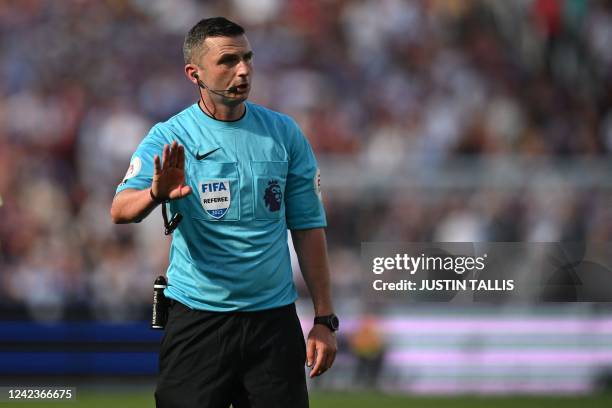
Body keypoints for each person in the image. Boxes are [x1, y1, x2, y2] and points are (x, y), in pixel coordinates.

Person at [110, 17, 338, 408]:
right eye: (229, 61)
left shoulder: (283, 134)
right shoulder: (170, 136)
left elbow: (308, 227)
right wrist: (155, 192)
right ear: (194, 73)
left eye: (247, 58)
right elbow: (120, 209)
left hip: (273, 322)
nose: (244, 70)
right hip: (199, 319)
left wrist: (324, 319)